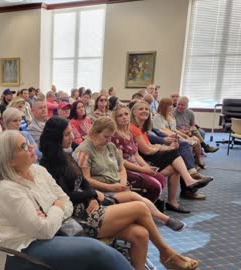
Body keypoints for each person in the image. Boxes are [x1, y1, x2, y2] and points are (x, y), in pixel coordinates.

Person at [40, 117, 199, 270]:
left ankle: (158, 259)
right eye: (67, 134)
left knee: (141, 234)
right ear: (55, 137)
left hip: (88, 205)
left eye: (71, 132)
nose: (72, 136)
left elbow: (83, 181)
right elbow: (65, 196)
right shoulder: (49, 163)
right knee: (140, 208)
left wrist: (92, 195)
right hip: (76, 217)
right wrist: (91, 195)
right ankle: (166, 253)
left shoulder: (65, 154)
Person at [0, 130, 133, 270]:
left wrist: (50, 214)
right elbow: (44, 230)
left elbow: (65, 201)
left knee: (133, 235)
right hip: (22, 251)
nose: (32, 147)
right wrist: (56, 208)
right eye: (23, 147)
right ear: (10, 161)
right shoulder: (7, 189)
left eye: (28, 143)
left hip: (53, 235)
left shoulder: (38, 171)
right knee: (98, 251)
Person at [72, 117, 193, 224]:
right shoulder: (84, 151)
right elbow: (86, 180)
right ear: (95, 133)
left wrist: (122, 183)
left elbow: (121, 168)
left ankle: (162, 219)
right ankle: (164, 219)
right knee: (137, 201)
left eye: (110, 137)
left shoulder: (110, 146)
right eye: (106, 136)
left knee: (138, 201)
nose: (109, 140)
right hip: (101, 190)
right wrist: (112, 187)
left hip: (116, 185)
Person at [130, 101, 213, 213]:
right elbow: (146, 150)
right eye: (141, 109)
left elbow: (150, 145)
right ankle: (188, 181)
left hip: (148, 157)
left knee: (176, 167)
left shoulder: (142, 128)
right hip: (142, 161)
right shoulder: (134, 128)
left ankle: (173, 201)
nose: (144, 111)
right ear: (133, 112)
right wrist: (165, 148)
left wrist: (166, 147)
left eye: (146, 109)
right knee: (174, 155)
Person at [111, 106, 169, 204]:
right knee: (155, 186)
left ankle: (149, 205)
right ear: (115, 119)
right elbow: (121, 162)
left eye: (126, 114)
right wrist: (143, 170)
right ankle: (142, 209)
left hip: (136, 166)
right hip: (125, 170)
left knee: (161, 178)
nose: (124, 117)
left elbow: (136, 155)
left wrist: (146, 166)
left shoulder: (130, 133)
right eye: (120, 116)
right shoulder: (116, 136)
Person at [153, 98, 205, 169]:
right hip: (165, 138)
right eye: (171, 105)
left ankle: (196, 162)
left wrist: (185, 136)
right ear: (165, 106)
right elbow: (163, 131)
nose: (173, 107)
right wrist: (182, 138)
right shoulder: (157, 117)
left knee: (195, 140)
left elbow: (174, 130)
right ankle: (191, 167)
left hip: (174, 136)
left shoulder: (170, 116)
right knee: (186, 144)